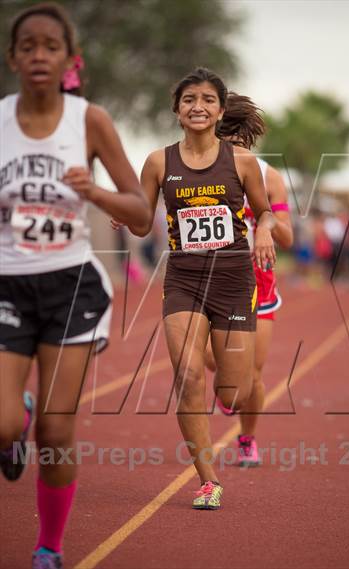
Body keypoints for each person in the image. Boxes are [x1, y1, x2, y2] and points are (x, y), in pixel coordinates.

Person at [0, 3, 150, 568]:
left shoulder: (89, 120)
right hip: (7, 285)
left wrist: (95, 194)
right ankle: (14, 419)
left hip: (70, 288)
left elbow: (139, 213)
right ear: (13, 56)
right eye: (28, 45)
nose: (39, 54)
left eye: (50, 46)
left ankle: (49, 548)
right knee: (5, 422)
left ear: (68, 58)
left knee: (55, 431)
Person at [117, 67, 276, 510]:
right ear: (177, 110)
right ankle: (208, 480)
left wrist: (263, 230)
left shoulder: (241, 162)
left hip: (233, 280)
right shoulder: (157, 162)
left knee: (233, 391)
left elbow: (265, 214)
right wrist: (122, 214)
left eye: (207, 100)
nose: (197, 107)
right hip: (184, 279)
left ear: (220, 110)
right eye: (189, 100)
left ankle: (226, 384)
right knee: (187, 378)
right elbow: (139, 219)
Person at [204, 93, 293, 466]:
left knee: (252, 376)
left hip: (258, 286)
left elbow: (287, 236)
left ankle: (247, 438)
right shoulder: (198, 172)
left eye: (237, 141)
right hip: (207, 281)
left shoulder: (266, 175)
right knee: (213, 365)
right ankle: (227, 382)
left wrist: (265, 223)